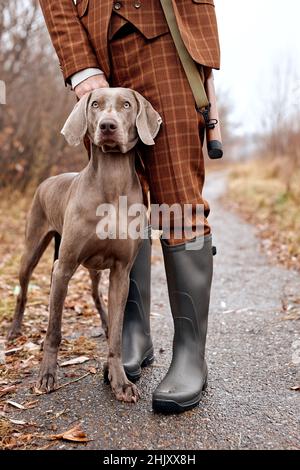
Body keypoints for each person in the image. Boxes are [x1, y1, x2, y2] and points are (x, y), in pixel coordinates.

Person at [39, 0, 220, 413]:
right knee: (115, 204)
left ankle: (191, 352)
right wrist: (80, 65)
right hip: (98, 46)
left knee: (179, 201)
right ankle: (132, 332)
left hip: (169, 43)